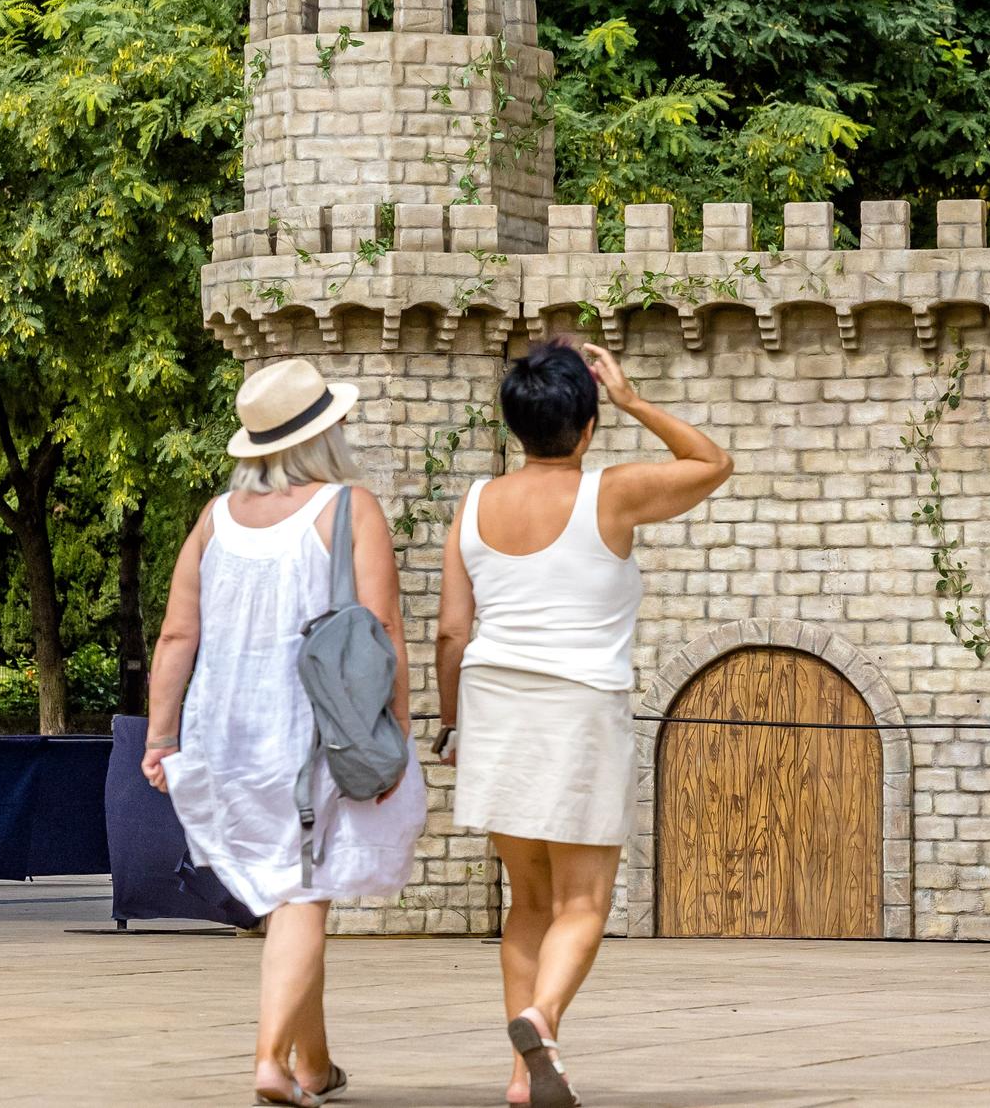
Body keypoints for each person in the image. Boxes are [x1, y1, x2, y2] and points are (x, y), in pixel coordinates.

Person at [435, 339, 732, 1108]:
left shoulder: (471, 505)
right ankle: (543, 1017)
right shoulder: (612, 493)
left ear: (513, 426)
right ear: (588, 427)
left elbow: (451, 634)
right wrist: (632, 397)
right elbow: (711, 462)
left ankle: (518, 1077)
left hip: (494, 709)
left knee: (526, 903)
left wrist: (450, 724)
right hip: (578, 711)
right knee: (583, 903)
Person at [143, 359, 424, 1107]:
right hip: (317, 733)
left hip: (226, 734)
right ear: (325, 434)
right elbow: (383, 627)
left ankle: (315, 1062)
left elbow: (176, 637)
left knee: (295, 892)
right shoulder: (347, 507)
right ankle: (270, 1059)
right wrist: (396, 724)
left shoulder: (215, 518)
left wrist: (159, 738)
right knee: (304, 892)